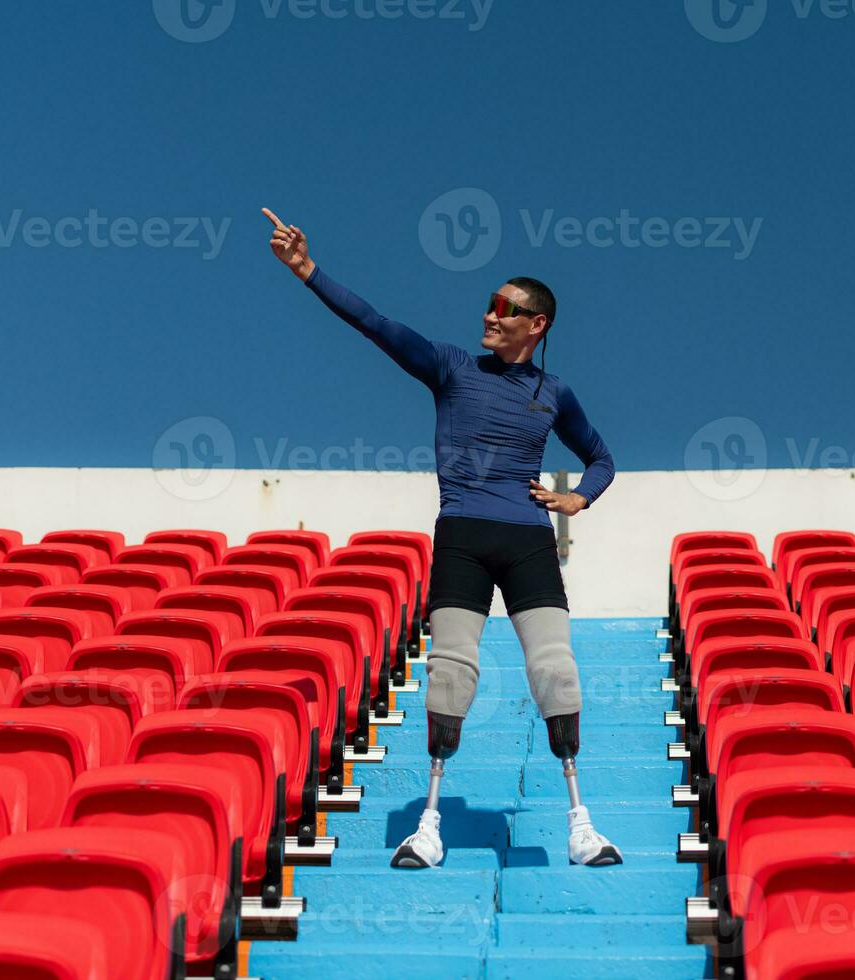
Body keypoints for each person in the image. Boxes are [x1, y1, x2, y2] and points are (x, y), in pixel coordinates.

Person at [263, 207, 623, 867]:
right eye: (488, 305)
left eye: (505, 308)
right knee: (452, 674)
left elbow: (602, 458)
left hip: (528, 542)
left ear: (536, 324)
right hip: (462, 537)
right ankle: (427, 825)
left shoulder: (554, 393)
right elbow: (379, 326)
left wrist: (578, 498)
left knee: (556, 673)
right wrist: (308, 271)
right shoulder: (453, 369)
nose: (489, 316)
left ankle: (583, 824)